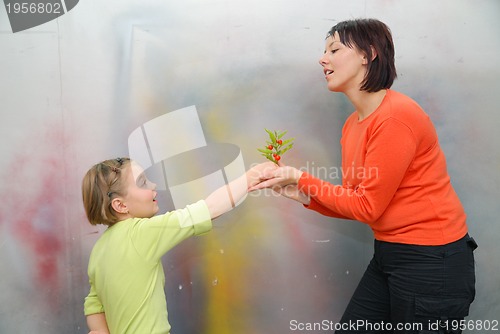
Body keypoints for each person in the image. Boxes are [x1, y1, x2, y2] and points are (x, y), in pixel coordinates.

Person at [251, 18, 476, 333]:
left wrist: (301, 177)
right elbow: (356, 201)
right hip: (390, 255)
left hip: (431, 264)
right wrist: (300, 192)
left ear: (368, 54)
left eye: (334, 48)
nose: (322, 58)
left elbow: (367, 206)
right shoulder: (353, 125)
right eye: (323, 50)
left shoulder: (396, 117)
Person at [82, 157, 274, 334]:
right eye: (142, 183)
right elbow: (211, 209)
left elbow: (94, 304)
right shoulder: (141, 233)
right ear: (120, 205)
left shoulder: (99, 250)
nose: (153, 185)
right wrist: (252, 176)